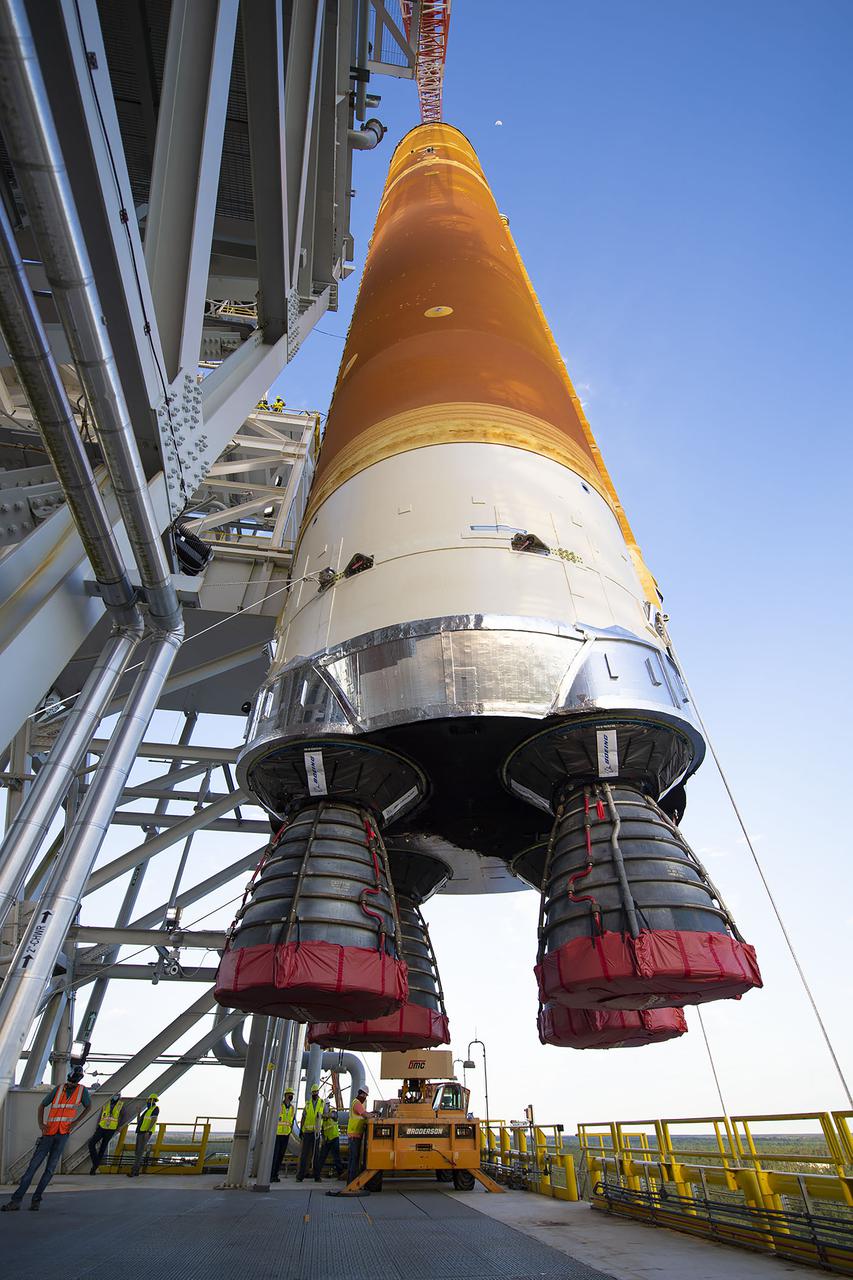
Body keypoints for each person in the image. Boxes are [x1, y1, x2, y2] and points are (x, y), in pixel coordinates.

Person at [2, 1066, 92, 1212]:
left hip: (62, 1134)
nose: (71, 1084)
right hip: (49, 1134)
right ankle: (16, 1201)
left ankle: (35, 1200)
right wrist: (41, 1124)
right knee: (32, 1167)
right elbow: (42, 1106)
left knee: (49, 1170)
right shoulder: (58, 1089)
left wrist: (75, 1122)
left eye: (74, 1081)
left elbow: (88, 1107)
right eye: (70, 1081)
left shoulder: (82, 1092)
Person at [88, 1093, 124, 1174]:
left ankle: (94, 1168)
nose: (115, 1096)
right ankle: (96, 1163)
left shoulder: (120, 1105)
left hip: (111, 1129)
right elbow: (101, 1114)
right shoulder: (106, 1102)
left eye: (117, 1095)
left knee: (103, 1147)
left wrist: (120, 1126)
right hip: (102, 1127)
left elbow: (123, 1116)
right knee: (91, 1144)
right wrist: (97, 1125)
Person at [128, 1093, 159, 1177]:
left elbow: (153, 1120)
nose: (149, 1102)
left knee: (139, 1152)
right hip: (140, 1131)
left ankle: (134, 1170)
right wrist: (138, 1113)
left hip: (145, 1132)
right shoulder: (146, 1111)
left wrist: (148, 1131)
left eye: (150, 1100)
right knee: (137, 1151)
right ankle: (136, 1171)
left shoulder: (155, 1109)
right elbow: (139, 1122)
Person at [295, 1083, 322, 1182]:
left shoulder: (322, 1103)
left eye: (316, 1092)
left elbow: (325, 1115)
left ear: (318, 1092)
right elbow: (303, 1117)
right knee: (304, 1155)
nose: (314, 1094)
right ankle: (300, 1176)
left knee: (316, 1155)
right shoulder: (307, 1104)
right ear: (311, 1093)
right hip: (307, 1132)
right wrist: (301, 1130)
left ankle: (317, 1176)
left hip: (316, 1133)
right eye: (313, 1092)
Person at [314, 1102, 344, 1181]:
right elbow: (322, 1129)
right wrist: (323, 1138)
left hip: (334, 1138)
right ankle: (317, 1176)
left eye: (326, 1105)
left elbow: (333, 1115)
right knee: (322, 1157)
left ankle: (341, 1174)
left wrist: (322, 1115)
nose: (325, 1107)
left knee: (336, 1158)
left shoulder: (333, 1112)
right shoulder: (322, 1117)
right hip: (327, 1139)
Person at [271, 1088, 296, 1182]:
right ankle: (271, 1175)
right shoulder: (280, 1106)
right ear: (285, 1095)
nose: (291, 1096)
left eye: (292, 1095)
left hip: (286, 1135)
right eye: (290, 1094)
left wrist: (290, 1131)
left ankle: (275, 1175)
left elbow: (292, 1121)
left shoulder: (292, 1108)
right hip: (277, 1134)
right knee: (275, 1155)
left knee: (281, 1156)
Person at [346, 1086, 370, 1185]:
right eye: (365, 1095)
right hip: (354, 1135)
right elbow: (364, 1114)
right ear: (361, 1093)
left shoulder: (357, 1102)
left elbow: (364, 1114)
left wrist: (370, 1113)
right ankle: (352, 1182)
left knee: (353, 1159)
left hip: (355, 1135)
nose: (365, 1097)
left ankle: (350, 1181)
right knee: (354, 1160)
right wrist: (373, 1115)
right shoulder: (357, 1103)